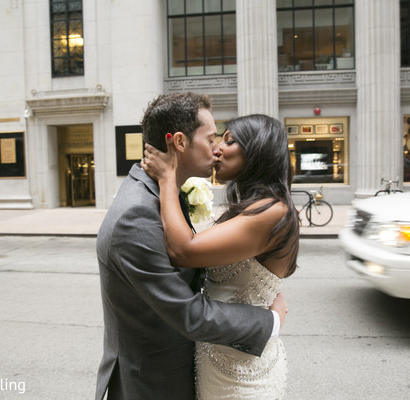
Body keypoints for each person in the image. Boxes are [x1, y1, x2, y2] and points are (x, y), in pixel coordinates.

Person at [95, 93, 288, 400]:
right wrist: (271, 321)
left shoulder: (159, 193)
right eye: (212, 138)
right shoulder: (138, 214)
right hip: (155, 383)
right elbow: (189, 314)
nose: (217, 149)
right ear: (180, 143)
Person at [141, 113, 300, 399]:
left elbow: (183, 251)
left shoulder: (273, 211)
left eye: (229, 141)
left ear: (258, 149)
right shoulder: (255, 206)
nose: (218, 149)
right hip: (218, 361)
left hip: (244, 376)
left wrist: (167, 179)